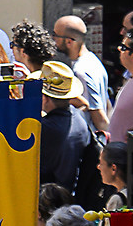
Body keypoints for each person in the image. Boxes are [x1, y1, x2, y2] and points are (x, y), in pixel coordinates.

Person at [37, 63, 97, 200]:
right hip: (72, 196)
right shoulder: (79, 119)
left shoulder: (44, 129)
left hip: (49, 202)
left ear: (45, 98)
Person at [52, 15, 112, 124]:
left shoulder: (81, 71)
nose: (53, 39)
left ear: (69, 42)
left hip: (89, 137)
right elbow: (107, 105)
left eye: (55, 35)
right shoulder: (94, 61)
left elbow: (98, 115)